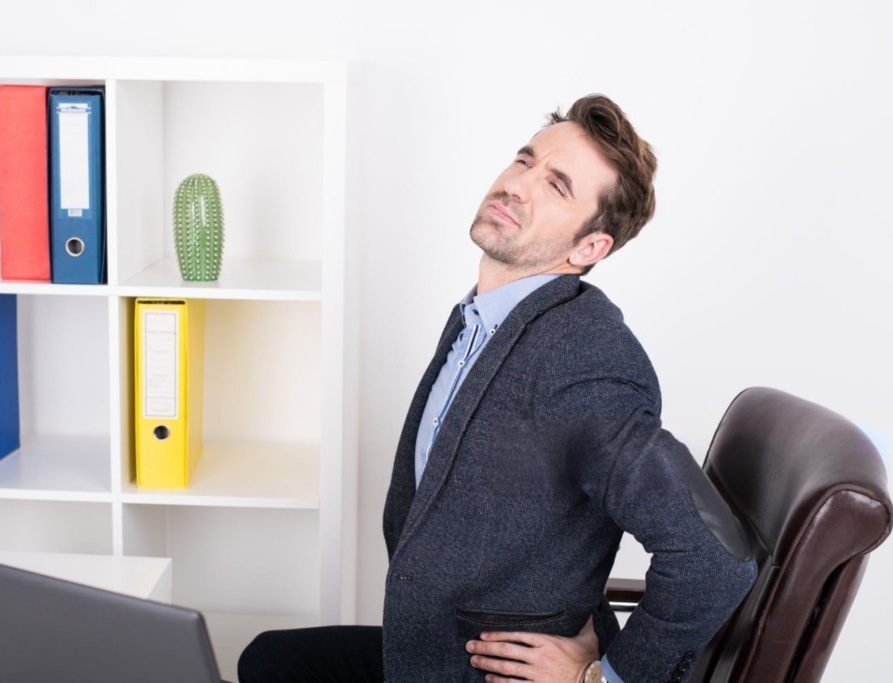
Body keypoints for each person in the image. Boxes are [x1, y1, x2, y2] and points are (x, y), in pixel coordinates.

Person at [238, 94, 758, 683]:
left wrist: (605, 679)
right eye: (524, 160)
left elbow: (713, 560)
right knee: (269, 660)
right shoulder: (486, 316)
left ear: (588, 248)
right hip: (439, 642)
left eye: (557, 186)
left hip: (482, 670)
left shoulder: (585, 361)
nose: (519, 184)